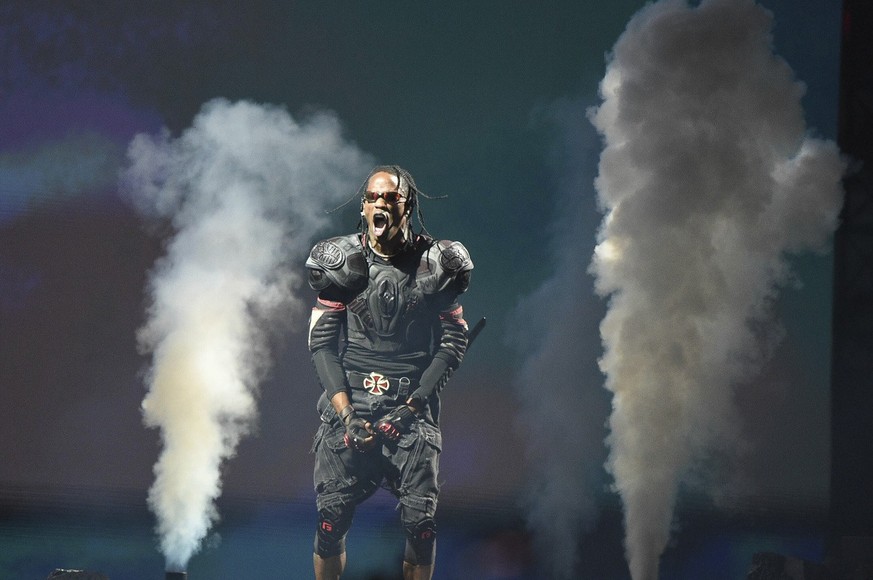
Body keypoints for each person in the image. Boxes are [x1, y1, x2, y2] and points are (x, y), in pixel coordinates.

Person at [305, 165, 473, 580]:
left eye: (390, 197)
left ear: (407, 205)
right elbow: (321, 344)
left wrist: (413, 408)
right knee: (331, 521)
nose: (381, 203)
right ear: (363, 207)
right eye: (373, 197)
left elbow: (453, 342)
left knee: (422, 527)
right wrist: (347, 415)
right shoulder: (339, 262)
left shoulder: (438, 263)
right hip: (350, 405)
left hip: (410, 409)